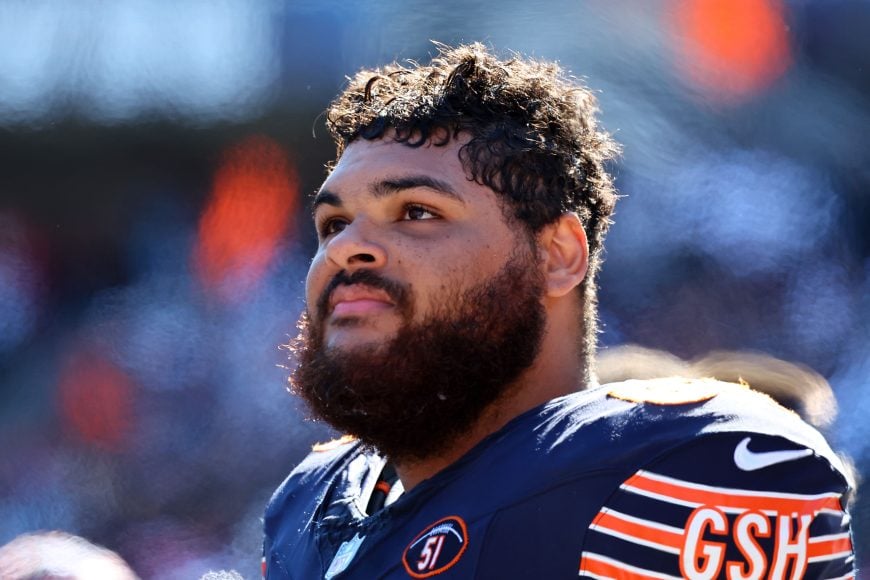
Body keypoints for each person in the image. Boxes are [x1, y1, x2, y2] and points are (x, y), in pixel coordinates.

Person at [263, 43, 856, 579]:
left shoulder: (674, 470)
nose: (345, 247)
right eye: (333, 224)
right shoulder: (308, 500)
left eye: (417, 211)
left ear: (557, 255)